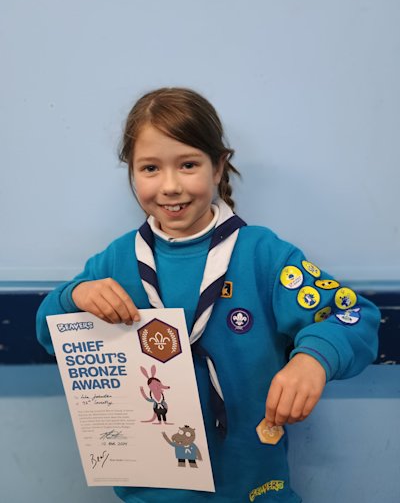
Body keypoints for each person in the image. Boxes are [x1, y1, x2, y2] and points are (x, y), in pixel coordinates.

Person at [36, 87, 381, 502]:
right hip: (154, 492)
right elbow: (48, 331)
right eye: (149, 168)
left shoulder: (262, 255)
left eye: (187, 165)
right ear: (131, 172)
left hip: (253, 489)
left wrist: (313, 359)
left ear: (219, 167)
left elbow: (355, 315)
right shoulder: (116, 261)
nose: (169, 186)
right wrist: (75, 297)